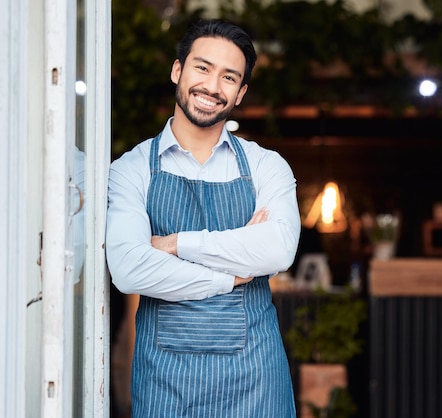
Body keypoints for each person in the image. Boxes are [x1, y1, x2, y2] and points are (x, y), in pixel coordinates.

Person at [105, 18, 301, 418]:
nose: (212, 87)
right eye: (202, 68)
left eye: (229, 77)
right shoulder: (132, 168)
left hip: (255, 380)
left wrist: (176, 244)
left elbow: (278, 250)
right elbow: (128, 269)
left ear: (241, 93)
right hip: (166, 381)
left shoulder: (267, 166)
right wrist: (230, 276)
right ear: (178, 70)